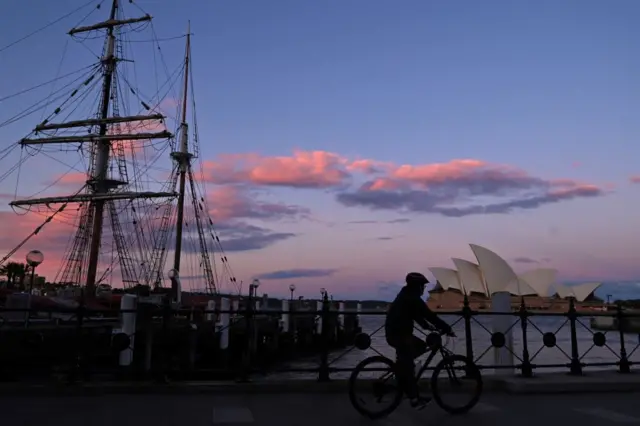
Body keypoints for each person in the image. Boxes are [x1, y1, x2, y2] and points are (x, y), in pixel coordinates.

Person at [385, 272, 455, 409]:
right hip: (399, 335)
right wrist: (446, 328)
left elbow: (416, 315)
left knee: (409, 357)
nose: (423, 289)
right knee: (416, 353)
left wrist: (426, 326)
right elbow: (429, 314)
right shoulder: (412, 298)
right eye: (422, 286)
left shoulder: (406, 296)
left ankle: (402, 375)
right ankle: (414, 399)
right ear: (416, 286)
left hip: (395, 333)